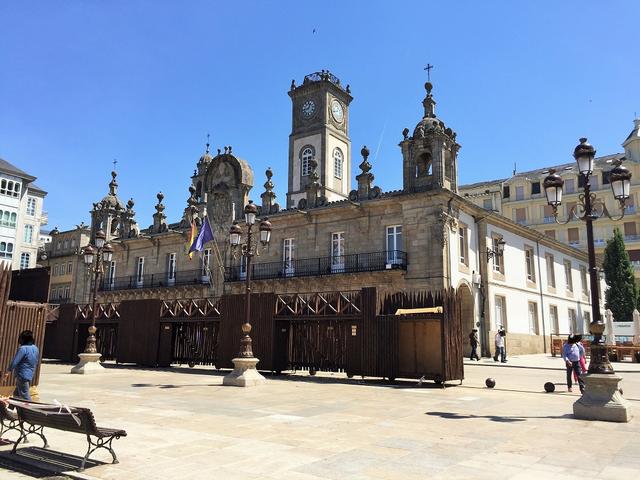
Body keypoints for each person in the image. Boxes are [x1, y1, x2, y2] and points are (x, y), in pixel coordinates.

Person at [3, 330, 39, 401]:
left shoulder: (23, 349)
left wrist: (8, 371)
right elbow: (35, 360)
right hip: (30, 374)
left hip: (22, 374)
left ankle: (31, 410)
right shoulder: (35, 348)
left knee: (25, 395)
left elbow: (15, 361)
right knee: (17, 393)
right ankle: (11, 408)